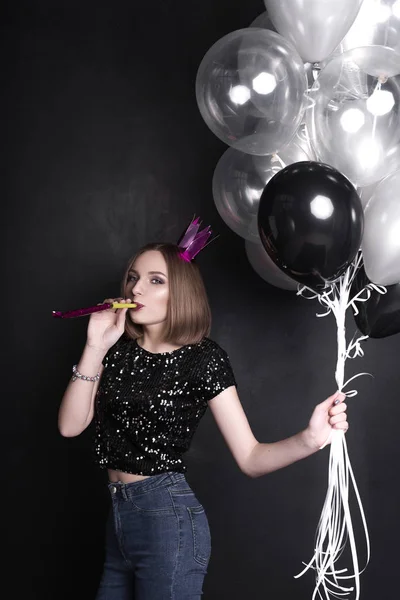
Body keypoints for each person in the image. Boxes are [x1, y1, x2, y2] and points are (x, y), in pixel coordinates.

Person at [58, 222, 348, 600]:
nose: (136, 289)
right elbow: (70, 425)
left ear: (180, 291)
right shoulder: (117, 352)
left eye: (155, 280)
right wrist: (95, 346)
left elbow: (250, 457)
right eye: (133, 278)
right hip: (118, 522)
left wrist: (310, 439)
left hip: (167, 523)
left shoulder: (203, 358)